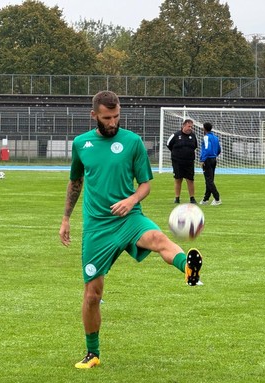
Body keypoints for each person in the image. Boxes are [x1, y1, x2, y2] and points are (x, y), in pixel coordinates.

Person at [58, 91, 203, 369]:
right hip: (97, 227)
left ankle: (188, 269)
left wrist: (131, 200)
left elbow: (145, 184)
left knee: (158, 238)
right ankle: (93, 353)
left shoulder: (133, 142)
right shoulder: (81, 144)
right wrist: (66, 219)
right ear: (94, 116)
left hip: (129, 218)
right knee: (92, 296)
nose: (112, 122)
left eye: (116, 116)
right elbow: (75, 182)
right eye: (107, 118)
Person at [166, 119, 198, 204]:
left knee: (190, 180)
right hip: (177, 162)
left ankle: (192, 198)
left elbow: (195, 146)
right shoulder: (175, 135)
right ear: (183, 126)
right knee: (178, 179)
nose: (190, 128)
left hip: (189, 162)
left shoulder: (193, 136)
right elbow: (168, 145)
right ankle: (177, 198)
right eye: (189, 126)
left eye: (192, 127)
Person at [199, 122, 221, 205]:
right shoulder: (216, 137)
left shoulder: (206, 137)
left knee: (209, 180)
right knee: (209, 180)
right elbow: (219, 149)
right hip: (213, 159)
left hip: (207, 159)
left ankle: (217, 198)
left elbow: (207, 149)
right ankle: (206, 199)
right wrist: (214, 155)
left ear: (204, 128)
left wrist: (203, 160)